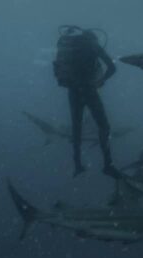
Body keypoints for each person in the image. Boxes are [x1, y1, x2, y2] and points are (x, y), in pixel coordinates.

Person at [53, 26, 118, 177]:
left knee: (77, 128)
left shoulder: (69, 45)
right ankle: (108, 165)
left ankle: (77, 165)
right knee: (104, 126)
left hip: (73, 90)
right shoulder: (92, 44)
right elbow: (112, 67)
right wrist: (100, 81)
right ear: (94, 37)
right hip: (89, 89)